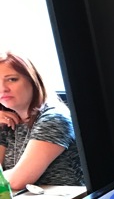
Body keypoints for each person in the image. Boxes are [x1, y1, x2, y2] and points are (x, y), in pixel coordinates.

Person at [0, 51, 83, 189]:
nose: (3, 88)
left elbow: (17, 180)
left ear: (33, 80)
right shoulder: (7, 121)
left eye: (12, 79)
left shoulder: (54, 118)